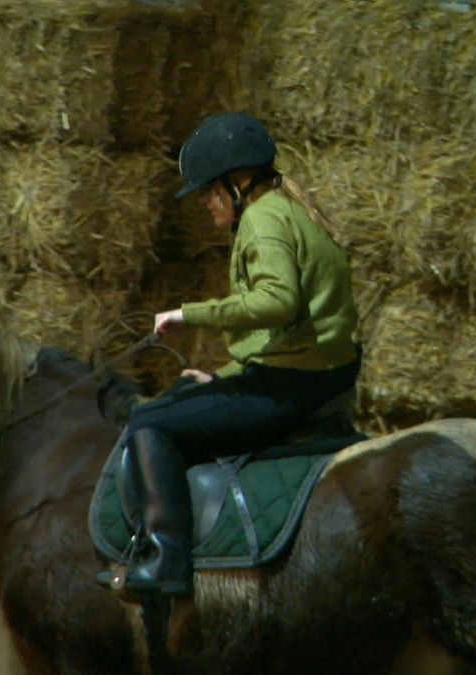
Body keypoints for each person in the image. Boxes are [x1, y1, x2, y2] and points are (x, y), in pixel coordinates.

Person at [120, 112, 361, 596]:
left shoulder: (261, 220)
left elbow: (278, 302)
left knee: (149, 424)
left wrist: (189, 314)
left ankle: (166, 559)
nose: (204, 204)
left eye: (208, 192)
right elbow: (284, 331)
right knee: (190, 390)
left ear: (236, 184)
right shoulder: (292, 209)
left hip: (292, 386)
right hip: (322, 374)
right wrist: (226, 375)